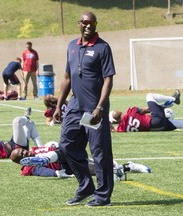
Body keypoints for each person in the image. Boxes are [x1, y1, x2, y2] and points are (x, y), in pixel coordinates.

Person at [52, 11, 116, 207]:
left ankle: (103, 196)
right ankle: (85, 185)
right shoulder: (72, 46)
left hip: (93, 111)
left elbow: (108, 80)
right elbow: (67, 78)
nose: (89, 26)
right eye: (85, 22)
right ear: (79, 24)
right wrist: (59, 104)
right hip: (75, 107)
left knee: (99, 152)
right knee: (67, 145)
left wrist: (100, 107)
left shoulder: (103, 47)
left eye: (93, 23)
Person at [11, 145, 151, 178]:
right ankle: (127, 167)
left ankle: (116, 168)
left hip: (64, 152)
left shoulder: (35, 148)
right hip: (63, 165)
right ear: (21, 162)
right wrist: (56, 173)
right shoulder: (27, 169)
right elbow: (39, 170)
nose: (25, 152)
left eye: (23, 150)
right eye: (21, 155)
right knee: (95, 170)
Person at [109, 91, 183, 132]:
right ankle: (174, 99)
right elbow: (148, 109)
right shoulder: (130, 111)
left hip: (156, 128)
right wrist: (161, 106)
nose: (114, 112)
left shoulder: (121, 129)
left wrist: (109, 125)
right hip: (155, 121)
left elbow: (113, 129)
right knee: (149, 96)